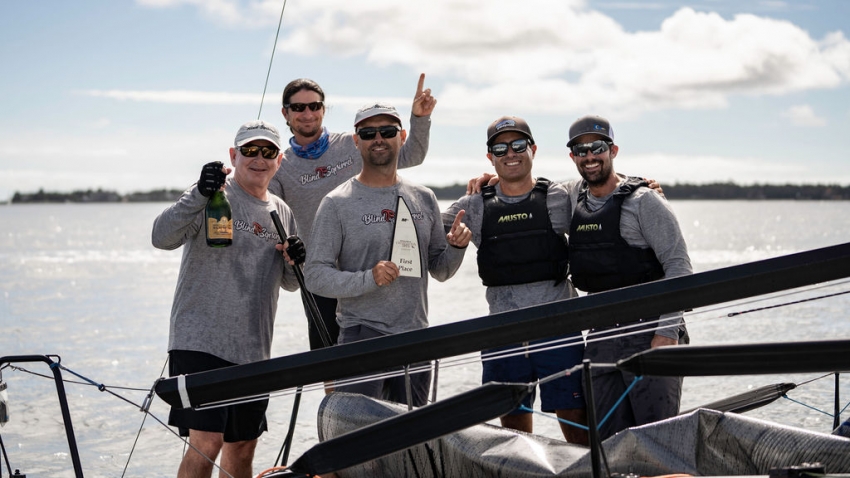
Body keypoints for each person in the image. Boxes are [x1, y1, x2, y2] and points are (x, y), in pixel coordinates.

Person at [152, 120, 305, 478]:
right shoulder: (210, 194)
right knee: (206, 443)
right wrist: (198, 194)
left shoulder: (281, 212)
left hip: (253, 351)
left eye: (267, 152)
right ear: (233, 155)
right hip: (199, 341)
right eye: (250, 150)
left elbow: (291, 283)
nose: (259, 158)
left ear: (278, 160)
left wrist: (297, 258)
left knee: (242, 449)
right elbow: (161, 237)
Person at [304, 102, 470, 407]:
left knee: (413, 441)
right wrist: (369, 278)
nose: (378, 138)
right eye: (368, 133)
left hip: (416, 336)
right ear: (356, 141)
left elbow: (440, 270)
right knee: (360, 440)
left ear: (402, 135)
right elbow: (314, 276)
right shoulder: (336, 203)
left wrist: (457, 248)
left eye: (387, 131)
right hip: (360, 335)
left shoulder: (424, 197)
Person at [441, 116, 587, 445]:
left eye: (519, 145)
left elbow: (607, 187)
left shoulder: (559, 196)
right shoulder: (473, 206)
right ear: (490, 156)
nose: (511, 153)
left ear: (533, 149)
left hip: (559, 330)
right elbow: (422, 230)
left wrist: (644, 184)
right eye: (500, 147)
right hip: (503, 333)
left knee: (578, 426)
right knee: (513, 436)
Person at [268, 75, 436, 352]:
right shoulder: (280, 166)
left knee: (376, 354)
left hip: (366, 265)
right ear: (286, 113)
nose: (307, 114)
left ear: (324, 109)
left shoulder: (357, 142)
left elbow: (411, 156)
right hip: (321, 274)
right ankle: (337, 398)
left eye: (314, 106)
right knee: (330, 361)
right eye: (298, 108)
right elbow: (265, 205)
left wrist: (419, 118)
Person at [565, 114, 692, 440]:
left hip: (650, 333)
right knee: (609, 446)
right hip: (601, 339)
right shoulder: (572, 197)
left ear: (613, 150)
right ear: (572, 157)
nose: (589, 156)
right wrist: (490, 181)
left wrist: (666, 334)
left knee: (657, 440)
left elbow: (679, 267)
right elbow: (525, 185)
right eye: (581, 151)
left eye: (597, 148)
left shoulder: (644, 200)